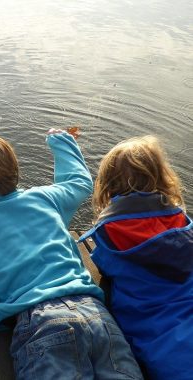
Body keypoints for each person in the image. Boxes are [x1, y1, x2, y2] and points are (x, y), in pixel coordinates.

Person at [0, 130, 143, 380]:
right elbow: (79, 183)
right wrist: (61, 141)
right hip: (96, 313)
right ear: (16, 172)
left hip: (41, 321)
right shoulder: (45, 197)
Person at [78, 136, 193, 380]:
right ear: (162, 177)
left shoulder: (109, 232)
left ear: (107, 185)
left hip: (157, 331)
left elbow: (106, 266)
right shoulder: (184, 223)